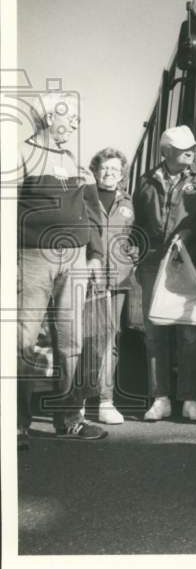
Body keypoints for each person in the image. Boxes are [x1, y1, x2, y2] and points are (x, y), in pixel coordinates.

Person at [17, 92, 108, 445]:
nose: (75, 124)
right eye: (70, 117)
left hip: (74, 260)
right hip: (31, 258)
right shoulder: (20, 154)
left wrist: (96, 255)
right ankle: (17, 424)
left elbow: (93, 211)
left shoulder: (74, 160)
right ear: (47, 117)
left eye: (77, 120)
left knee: (71, 342)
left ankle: (70, 417)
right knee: (21, 342)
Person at [132, 125, 196, 422]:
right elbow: (137, 226)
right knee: (155, 332)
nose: (191, 151)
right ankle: (161, 399)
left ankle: (190, 400)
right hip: (152, 263)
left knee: (190, 332)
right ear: (166, 152)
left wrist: (191, 235)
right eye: (184, 148)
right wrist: (136, 250)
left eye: (192, 147)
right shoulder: (145, 182)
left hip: (188, 263)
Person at [88, 147, 138, 424]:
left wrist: (133, 251)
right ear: (95, 171)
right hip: (91, 277)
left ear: (122, 175)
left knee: (113, 338)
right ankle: (82, 399)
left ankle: (106, 401)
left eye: (115, 170)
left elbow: (130, 237)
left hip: (119, 278)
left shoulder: (128, 201)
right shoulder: (85, 197)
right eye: (105, 168)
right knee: (90, 339)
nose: (109, 174)